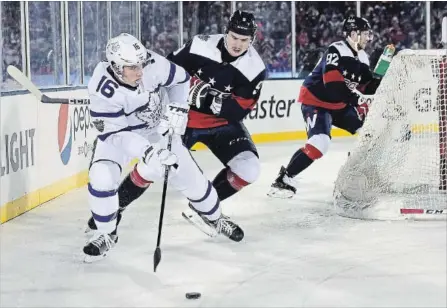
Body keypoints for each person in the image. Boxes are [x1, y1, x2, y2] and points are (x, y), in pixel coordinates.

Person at [84, 33, 243, 262]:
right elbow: (117, 136)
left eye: (141, 64)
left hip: (156, 131)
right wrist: (147, 151)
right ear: (117, 67)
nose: (140, 71)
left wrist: (178, 107)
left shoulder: (152, 64)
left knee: (193, 181)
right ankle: (106, 234)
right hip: (120, 136)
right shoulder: (101, 90)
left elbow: (182, 79)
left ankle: (215, 217)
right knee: (100, 176)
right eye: (132, 67)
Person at [268, 16, 382, 198]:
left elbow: (367, 86)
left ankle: (357, 172)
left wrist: (381, 78)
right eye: (365, 34)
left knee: (368, 131)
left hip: (339, 104)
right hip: (316, 101)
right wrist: (357, 100)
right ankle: (284, 179)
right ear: (353, 34)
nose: (369, 38)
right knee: (319, 143)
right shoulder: (336, 50)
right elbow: (333, 86)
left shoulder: (362, 57)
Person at [167, 10, 266, 209]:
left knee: (249, 169)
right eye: (234, 37)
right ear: (225, 32)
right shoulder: (200, 44)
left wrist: (202, 96)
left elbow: (238, 112)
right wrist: (183, 90)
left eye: (244, 40)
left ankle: (204, 207)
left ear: (252, 40)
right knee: (156, 165)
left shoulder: (255, 68)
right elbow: (168, 69)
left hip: (223, 126)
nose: (237, 44)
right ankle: (113, 210)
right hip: (185, 120)